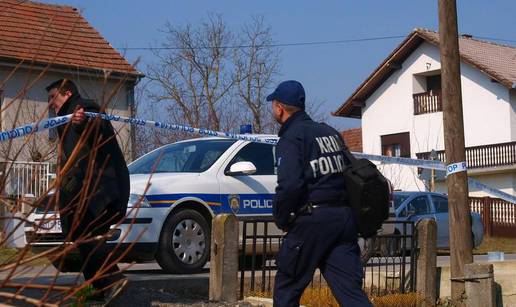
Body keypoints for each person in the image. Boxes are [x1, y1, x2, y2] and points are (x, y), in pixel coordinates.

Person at [267, 80, 372, 307]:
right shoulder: (330, 133)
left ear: (279, 108)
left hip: (312, 221)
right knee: (351, 293)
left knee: (286, 288)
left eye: (273, 104)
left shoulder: (292, 138)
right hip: (343, 221)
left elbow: (291, 186)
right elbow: (349, 173)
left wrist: (282, 218)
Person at [46, 79, 130, 303]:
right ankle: (99, 288)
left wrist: (81, 122)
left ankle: (112, 280)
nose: (51, 104)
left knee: (87, 236)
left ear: (68, 93)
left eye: (53, 97)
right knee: (81, 238)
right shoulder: (63, 121)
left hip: (100, 190)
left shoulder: (84, 108)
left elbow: (95, 125)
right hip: (86, 192)